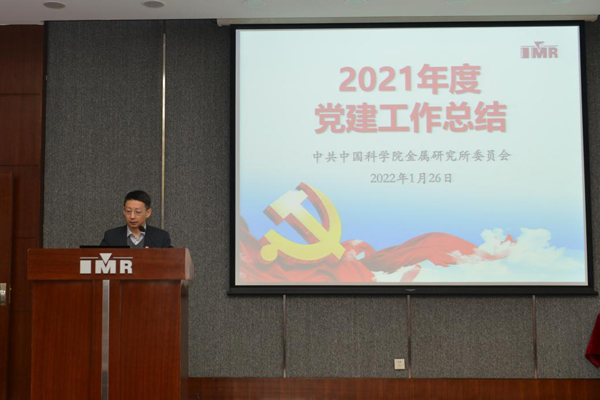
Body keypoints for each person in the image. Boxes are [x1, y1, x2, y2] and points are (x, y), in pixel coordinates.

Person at [100, 190, 172, 248]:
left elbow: (172, 259)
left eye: (138, 212)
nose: (132, 216)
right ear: (123, 211)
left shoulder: (161, 237)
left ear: (148, 213)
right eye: (128, 211)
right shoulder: (111, 236)